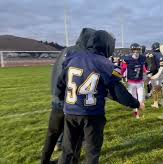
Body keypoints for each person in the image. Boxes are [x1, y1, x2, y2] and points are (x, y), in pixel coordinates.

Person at [57, 30, 143, 164]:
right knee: (92, 153)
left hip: (70, 112)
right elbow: (117, 92)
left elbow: (61, 83)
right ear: (106, 45)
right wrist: (135, 103)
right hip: (92, 115)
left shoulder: (73, 58)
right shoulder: (105, 64)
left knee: (68, 151)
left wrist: (63, 100)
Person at [41, 28, 95, 164]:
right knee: (73, 139)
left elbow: (57, 75)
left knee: (52, 134)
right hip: (72, 104)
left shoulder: (64, 51)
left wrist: (56, 94)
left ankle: (44, 160)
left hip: (57, 102)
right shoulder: (84, 55)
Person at [121, 43, 147, 119]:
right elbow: (123, 68)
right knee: (133, 98)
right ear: (132, 51)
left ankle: (139, 113)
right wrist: (121, 75)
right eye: (134, 50)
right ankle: (135, 112)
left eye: (137, 50)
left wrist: (146, 73)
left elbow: (143, 67)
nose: (136, 52)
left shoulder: (142, 58)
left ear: (139, 50)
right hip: (131, 82)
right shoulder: (127, 59)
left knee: (141, 98)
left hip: (140, 81)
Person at [147, 42, 163, 108]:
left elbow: (152, 66)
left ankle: (155, 103)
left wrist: (150, 72)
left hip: (156, 73)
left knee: (154, 89)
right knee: (161, 88)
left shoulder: (152, 55)